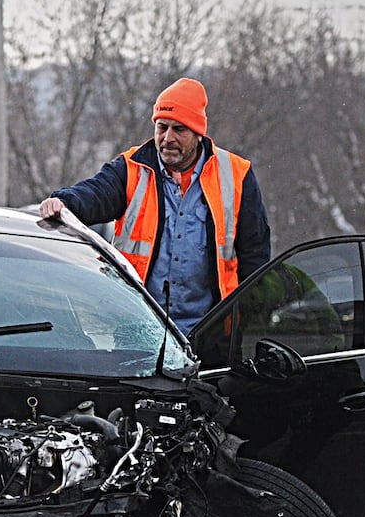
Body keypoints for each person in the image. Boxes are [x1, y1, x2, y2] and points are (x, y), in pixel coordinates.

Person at [39, 77, 271, 332]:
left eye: (179, 129)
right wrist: (64, 202)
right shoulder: (131, 168)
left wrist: (249, 325)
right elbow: (95, 193)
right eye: (162, 128)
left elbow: (255, 257)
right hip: (137, 328)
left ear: (198, 133)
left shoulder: (237, 174)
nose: (168, 138)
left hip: (211, 334)